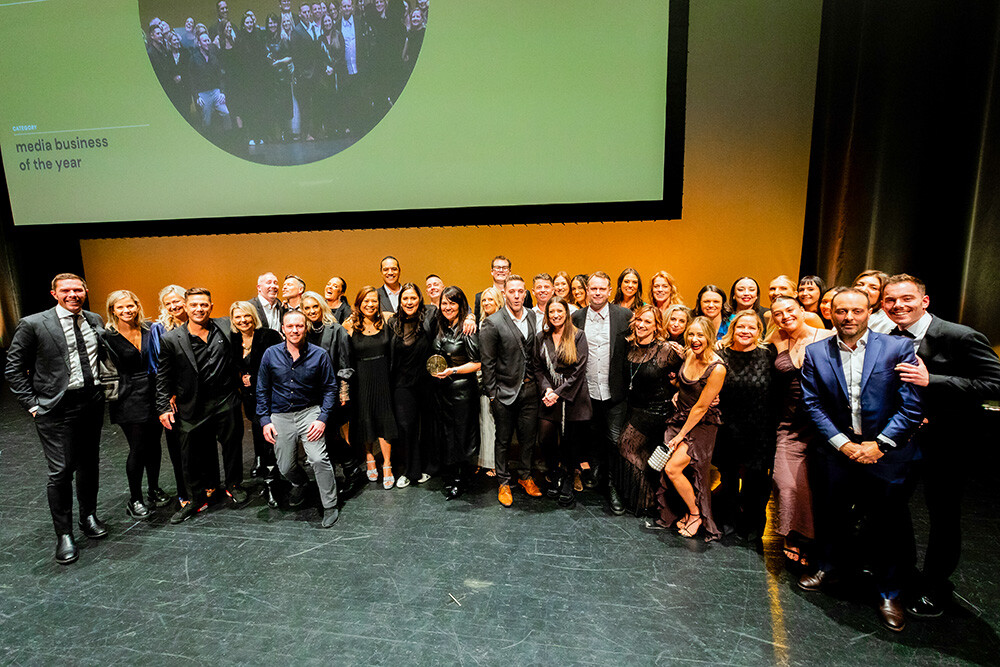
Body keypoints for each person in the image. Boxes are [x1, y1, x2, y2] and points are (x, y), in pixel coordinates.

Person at [798, 288, 922, 632]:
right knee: (831, 514)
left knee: (888, 525)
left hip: (886, 454)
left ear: (869, 312)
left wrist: (880, 445)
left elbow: (911, 405)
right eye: (841, 311)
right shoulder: (816, 352)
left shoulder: (897, 348)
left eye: (856, 310)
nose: (848, 317)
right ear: (831, 313)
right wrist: (842, 444)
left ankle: (889, 592)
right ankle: (827, 568)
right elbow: (812, 404)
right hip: (837, 452)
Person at [881, 274, 1000, 617]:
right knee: (892, 506)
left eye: (906, 298)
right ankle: (903, 573)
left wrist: (932, 380)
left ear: (925, 301)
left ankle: (936, 585)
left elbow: (995, 383)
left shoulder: (959, 336)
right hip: (904, 440)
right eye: (890, 300)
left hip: (949, 442)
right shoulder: (890, 338)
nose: (898, 305)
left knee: (943, 514)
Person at [5, 273, 109, 564]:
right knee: (61, 471)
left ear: (85, 292)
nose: (72, 294)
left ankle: (88, 516)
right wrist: (33, 405)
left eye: (78, 290)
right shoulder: (34, 323)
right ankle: (64, 534)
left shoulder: (94, 319)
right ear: (54, 294)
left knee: (89, 464)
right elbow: (14, 368)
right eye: (66, 290)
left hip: (91, 402)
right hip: (56, 408)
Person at [156, 288, 248, 524]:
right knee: (190, 455)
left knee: (232, 447)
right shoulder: (171, 339)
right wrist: (163, 406)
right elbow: (163, 376)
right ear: (186, 307)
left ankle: (234, 485)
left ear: (211, 307)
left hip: (225, 400)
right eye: (194, 305)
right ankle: (195, 498)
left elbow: (247, 342)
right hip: (192, 405)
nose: (199, 309)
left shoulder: (225, 326)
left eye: (204, 305)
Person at [257, 310, 340, 527]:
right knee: (285, 466)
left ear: (306, 328)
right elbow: (262, 389)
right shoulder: (270, 354)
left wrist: (322, 418)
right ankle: (301, 483)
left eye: (299, 326)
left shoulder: (319, 354)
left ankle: (330, 504)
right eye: (290, 326)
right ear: (283, 329)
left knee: (318, 459)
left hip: (309, 412)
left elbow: (330, 388)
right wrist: (265, 420)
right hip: (280, 415)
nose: (295, 330)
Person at [767, 295, 834, 566]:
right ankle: (793, 533)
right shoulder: (776, 339)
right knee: (785, 482)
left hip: (824, 422)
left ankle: (812, 538)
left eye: (790, 310)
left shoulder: (827, 336)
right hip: (789, 424)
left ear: (802, 310)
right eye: (778, 313)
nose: (785, 316)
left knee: (815, 485)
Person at [653, 316, 727, 541]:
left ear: (710, 337)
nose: (695, 339)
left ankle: (696, 515)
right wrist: (677, 390)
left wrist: (680, 436)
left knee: (673, 469)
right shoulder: (688, 354)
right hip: (680, 417)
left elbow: (701, 407)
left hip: (701, 424)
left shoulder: (717, 368)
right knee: (672, 469)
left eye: (700, 335)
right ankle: (685, 511)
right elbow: (685, 383)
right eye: (691, 334)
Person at [102, 290, 171, 520]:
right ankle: (135, 499)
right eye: (120, 307)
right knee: (138, 448)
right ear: (113, 311)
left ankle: (153, 489)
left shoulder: (151, 329)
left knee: (154, 445)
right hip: (128, 398)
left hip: (154, 393)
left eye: (130, 306)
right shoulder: (107, 336)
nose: (126, 311)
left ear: (137, 306)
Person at [714, 310, 776, 543]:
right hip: (727, 427)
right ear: (733, 329)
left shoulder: (768, 354)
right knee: (728, 478)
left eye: (751, 327)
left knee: (756, 481)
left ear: (759, 331)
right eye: (741, 326)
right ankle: (728, 520)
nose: (745, 331)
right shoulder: (720, 354)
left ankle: (752, 525)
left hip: (760, 429)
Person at [572, 271, 632, 513]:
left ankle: (614, 486)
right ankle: (596, 473)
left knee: (615, 440)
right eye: (593, 289)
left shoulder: (624, 316)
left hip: (615, 391)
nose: (597, 293)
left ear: (609, 291)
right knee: (593, 436)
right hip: (587, 391)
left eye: (601, 289)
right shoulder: (577, 317)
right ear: (587, 291)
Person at [480, 274, 542, 507]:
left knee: (528, 438)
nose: (516, 296)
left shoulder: (533, 316)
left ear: (525, 294)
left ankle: (525, 476)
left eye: (520, 291)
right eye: (512, 291)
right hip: (504, 392)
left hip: (531, 390)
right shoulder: (493, 322)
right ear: (504, 293)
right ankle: (504, 481)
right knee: (503, 440)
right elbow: (487, 363)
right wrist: (492, 395)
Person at [616, 306, 681, 517]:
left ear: (657, 326)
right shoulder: (630, 346)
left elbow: (689, 372)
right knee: (642, 453)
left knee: (626, 445)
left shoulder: (667, 350)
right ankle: (644, 499)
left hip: (657, 410)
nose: (642, 325)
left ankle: (648, 498)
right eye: (639, 320)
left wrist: (679, 390)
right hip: (634, 408)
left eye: (647, 322)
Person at [533, 296, 591, 506]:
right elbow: (537, 368)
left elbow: (579, 372)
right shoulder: (541, 337)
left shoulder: (578, 335)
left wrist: (558, 393)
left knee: (570, 441)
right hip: (549, 395)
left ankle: (568, 479)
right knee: (545, 437)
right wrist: (547, 389)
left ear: (566, 313)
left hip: (573, 395)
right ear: (547, 315)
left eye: (560, 311)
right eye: (552, 312)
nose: (556, 315)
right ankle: (555, 472)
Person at [430, 287, 481, 499]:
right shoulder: (441, 326)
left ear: (461, 305)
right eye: (444, 303)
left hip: (463, 392)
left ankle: (461, 478)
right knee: (447, 434)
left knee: (462, 436)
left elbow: (477, 363)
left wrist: (453, 371)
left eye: (452, 303)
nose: (447, 307)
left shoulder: (467, 329)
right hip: (442, 391)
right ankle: (452, 474)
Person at [346, 286, 398, 489]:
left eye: (374, 301)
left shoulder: (387, 320)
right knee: (365, 418)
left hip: (384, 377)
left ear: (379, 303)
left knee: (385, 420)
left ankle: (387, 464)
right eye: (366, 301)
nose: (370, 304)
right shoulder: (349, 325)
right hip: (361, 379)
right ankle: (369, 458)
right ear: (358, 304)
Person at [388, 283, 435, 488]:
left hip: (427, 383)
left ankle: (428, 467)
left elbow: (454, 311)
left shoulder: (429, 318)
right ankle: (410, 471)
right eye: (405, 298)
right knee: (406, 427)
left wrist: (469, 317)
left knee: (427, 427)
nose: (409, 302)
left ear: (419, 299)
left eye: (413, 298)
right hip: (402, 384)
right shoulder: (393, 322)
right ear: (400, 301)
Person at [230, 301, 283, 480]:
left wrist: (254, 379)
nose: (243, 320)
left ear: (254, 316)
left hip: (270, 392)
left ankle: (272, 463)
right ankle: (259, 458)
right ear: (233, 320)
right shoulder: (233, 339)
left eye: (247, 315)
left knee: (270, 426)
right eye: (238, 317)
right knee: (255, 425)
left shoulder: (269, 336)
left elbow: (279, 366)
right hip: (248, 395)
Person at [148, 285, 191, 506]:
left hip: (197, 395)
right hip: (174, 397)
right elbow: (157, 367)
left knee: (200, 445)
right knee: (178, 447)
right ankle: (184, 492)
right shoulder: (159, 329)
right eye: (168, 303)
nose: (173, 306)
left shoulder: (197, 323)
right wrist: (169, 395)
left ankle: (206, 486)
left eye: (177, 301)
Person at [476, 286, 503, 477]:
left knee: (494, 423)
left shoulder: (503, 323)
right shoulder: (479, 324)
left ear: (498, 302)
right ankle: (483, 461)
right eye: (484, 300)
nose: (486, 303)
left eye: (490, 299)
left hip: (497, 377)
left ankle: (494, 463)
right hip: (479, 376)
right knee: (483, 421)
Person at [189, 31, 232, 131]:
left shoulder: (213, 58)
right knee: (206, 121)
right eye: (205, 41)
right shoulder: (194, 59)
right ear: (199, 43)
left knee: (226, 113)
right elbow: (192, 80)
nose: (207, 43)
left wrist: (222, 92)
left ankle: (230, 137)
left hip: (215, 91)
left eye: (208, 40)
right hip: (203, 93)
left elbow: (220, 77)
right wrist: (196, 97)